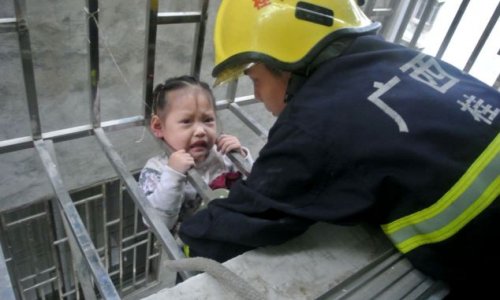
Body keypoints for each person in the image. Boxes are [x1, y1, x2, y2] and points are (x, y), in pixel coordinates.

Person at [178, 0, 500, 297]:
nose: (258, 96)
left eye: (255, 79)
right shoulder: (392, 55)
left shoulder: (314, 123)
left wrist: (187, 242)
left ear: (286, 60)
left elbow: (250, 217)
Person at [139, 75, 253, 234]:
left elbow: (255, 191)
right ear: (158, 126)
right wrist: (173, 174)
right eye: (186, 121)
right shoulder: (156, 170)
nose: (200, 131)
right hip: (190, 248)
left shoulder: (223, 153)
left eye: (208, 120)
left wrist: (242, 157)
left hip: (234, 233)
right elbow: (157, 225)